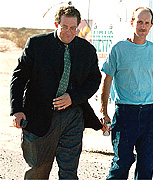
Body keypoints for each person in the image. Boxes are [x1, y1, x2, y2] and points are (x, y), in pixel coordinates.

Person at [10, 6, 102, 179]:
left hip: (73, 116)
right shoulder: (37, 44)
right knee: (38, 170)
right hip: (39, 116)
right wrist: (17, 110)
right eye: (65, 27)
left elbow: (94, 81)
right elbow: (19, 78)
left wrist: (73, 98)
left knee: (69, 171)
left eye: (73, 28)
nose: (69, 32)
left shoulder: (87, 50)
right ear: (56, 24)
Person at [100, 7, 153, 180]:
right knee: (122, 163)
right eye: (139, 22)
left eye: (146, 23)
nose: (143, 26)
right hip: (125, 114)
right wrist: (103, 111)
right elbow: (107, 80)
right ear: (132, 22)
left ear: (151, 26)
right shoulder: (118, 49)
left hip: (149, 114)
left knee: (147, 164)